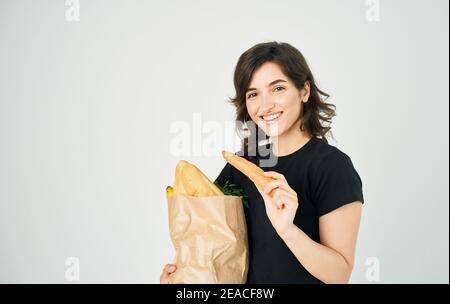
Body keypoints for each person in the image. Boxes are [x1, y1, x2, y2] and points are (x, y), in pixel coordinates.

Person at [160, 41, 364, 284]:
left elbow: (339, 274)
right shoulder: (242, 165)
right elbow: (211, 239)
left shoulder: (332, 167)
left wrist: (288, 230)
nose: (265, 105)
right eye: (253, 94)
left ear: (305, 91)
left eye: (277, 88)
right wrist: (184, 276)